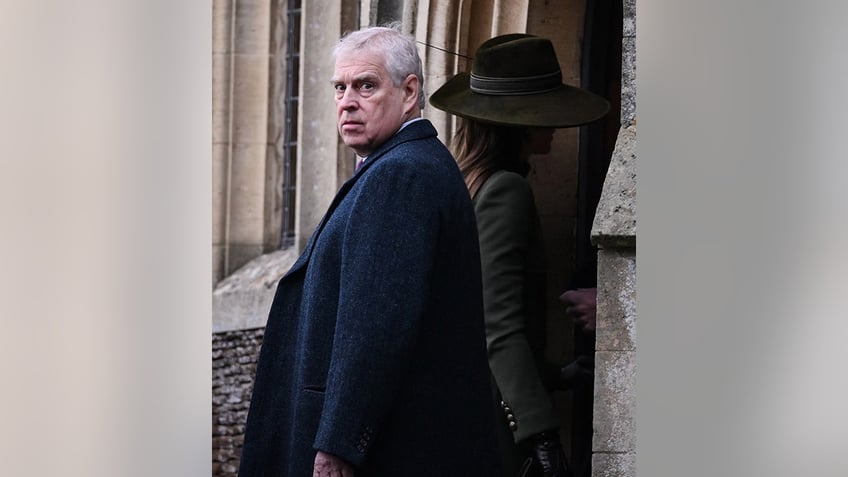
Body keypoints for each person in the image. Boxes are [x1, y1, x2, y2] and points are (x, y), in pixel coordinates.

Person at [238, 25, 502, 477]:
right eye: (340, 88)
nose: (347, 101)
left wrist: (339, 445)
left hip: (387, 452)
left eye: (366, 85)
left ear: (410, 91)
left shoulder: (402, 176)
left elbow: (377, 323)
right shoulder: (401, 166)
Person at [430, 34, 609, 477]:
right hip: (496, 419)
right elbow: (498, 322)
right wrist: (541, 432)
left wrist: (557, 374)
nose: (554, 126)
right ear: (523, 122)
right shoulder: (505, 190)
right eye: (547, 110)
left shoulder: (467, 185)